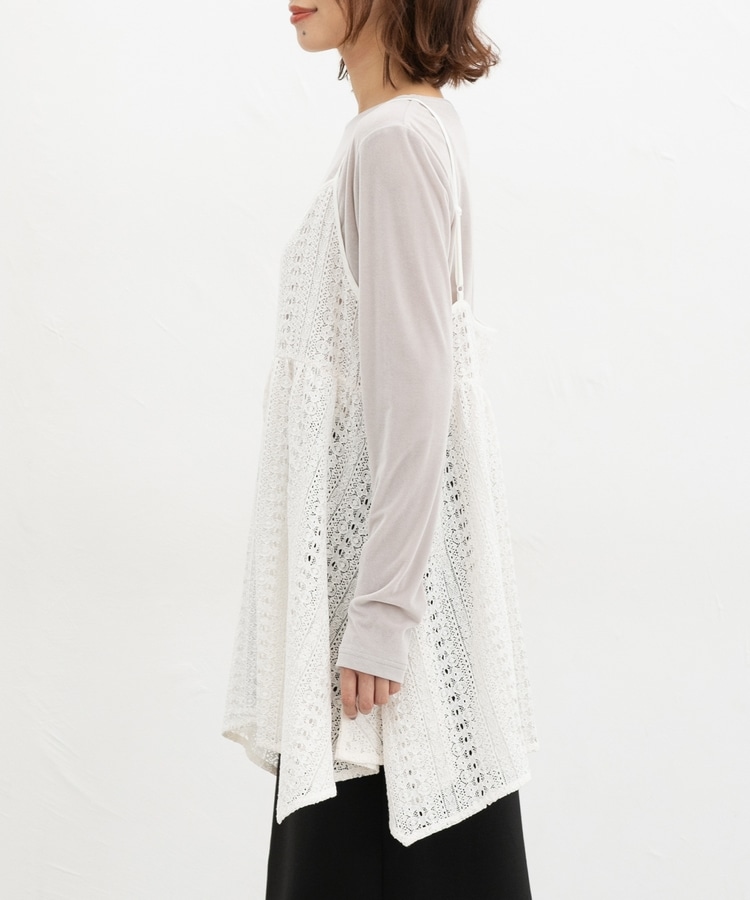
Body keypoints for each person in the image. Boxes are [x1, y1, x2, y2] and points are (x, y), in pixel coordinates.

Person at [221, 1, 540, 896]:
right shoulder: (408, 126)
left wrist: (383, 614)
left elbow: (416, 398)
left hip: (381, 624)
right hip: (388, 598)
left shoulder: (393, 142)